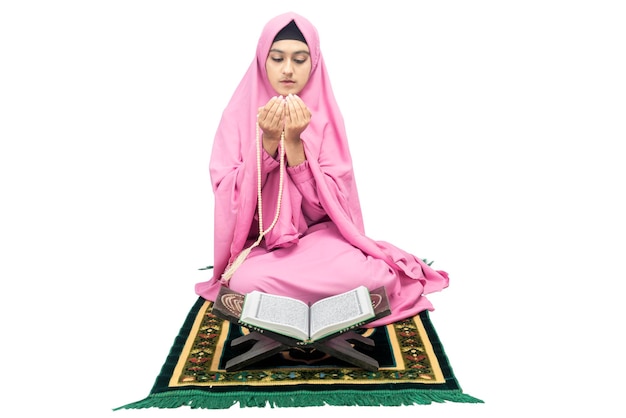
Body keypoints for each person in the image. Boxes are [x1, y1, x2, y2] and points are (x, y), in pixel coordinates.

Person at [195, 12, 449, 327]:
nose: (287, 69)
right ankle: (332, 305)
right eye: (277, 58)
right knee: (245, 283)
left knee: (372, 278)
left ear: (313, 63)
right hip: (262, 248)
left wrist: (298, 148)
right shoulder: (236, 116)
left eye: (299, 60)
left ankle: (290, 306)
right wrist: (268, 145)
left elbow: (335, 209)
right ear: (263, 59)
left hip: (321, 240)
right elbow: (227, 196)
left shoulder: (326, 116)